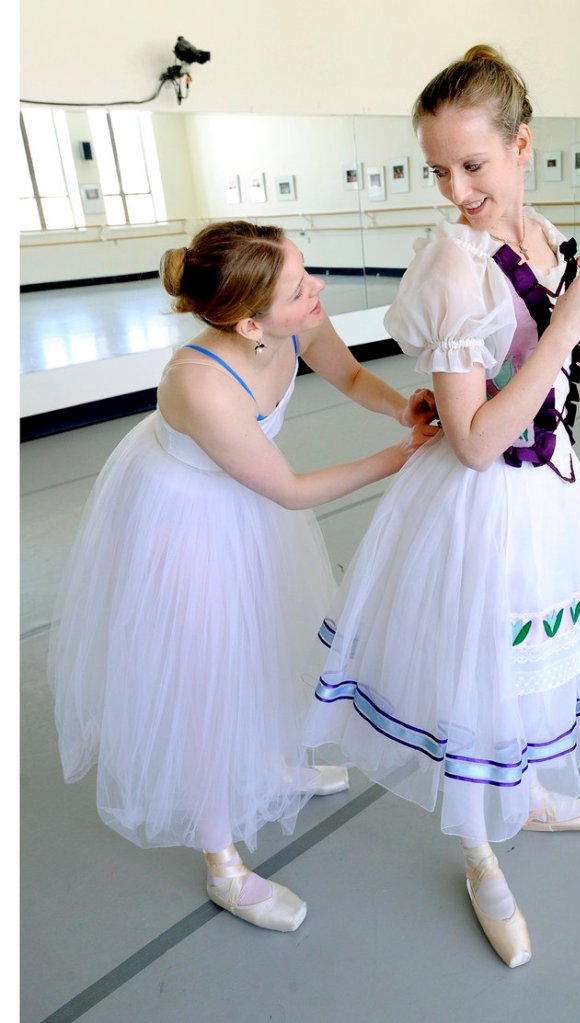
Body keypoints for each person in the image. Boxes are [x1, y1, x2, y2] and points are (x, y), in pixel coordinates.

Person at [304, 45, 580, 967]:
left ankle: (525, 796)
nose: (456, 190)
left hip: (551, 495)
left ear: (523, 147)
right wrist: (564, 326)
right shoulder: (453, 267)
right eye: (439, 169)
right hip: (477, 509)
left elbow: (548, 389)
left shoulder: (545, 237)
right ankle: (480, 850)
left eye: (474, 165)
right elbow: (478, 439)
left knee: (532, 662)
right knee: (477, 674)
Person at [50, 220, 438, 934]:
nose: (316, 288)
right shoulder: (197, 383)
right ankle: (222, 860)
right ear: (250, 320)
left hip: (247, 498)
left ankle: (268, 764)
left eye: (306, 271)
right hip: (185, 518)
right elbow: (288, 488)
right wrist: (402, 456)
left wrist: (399, 406)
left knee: (269, 636)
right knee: (208, 673)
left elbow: (347, 372)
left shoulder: (294, 321)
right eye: (300, 287)